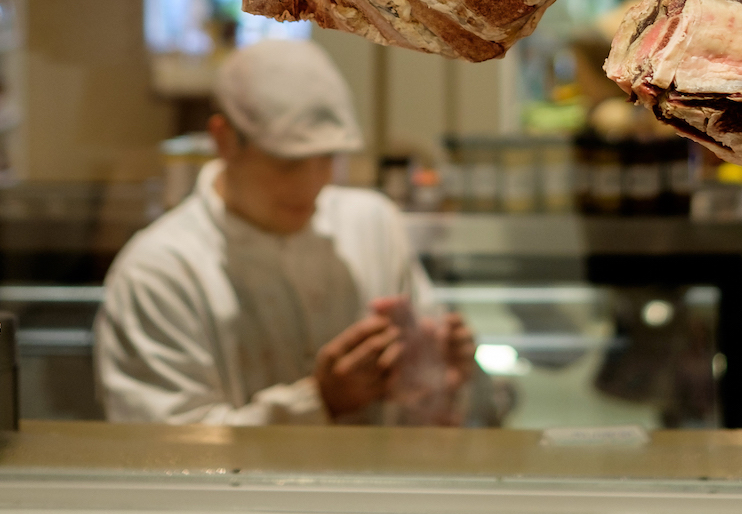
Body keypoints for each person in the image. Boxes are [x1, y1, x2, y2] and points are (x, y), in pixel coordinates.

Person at [94, 38, 476, 425]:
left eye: (326, 158)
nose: (311, 184)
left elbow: (430, 414)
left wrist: (445, 377)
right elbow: (162, 451)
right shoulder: (160, 271)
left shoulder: (373, 225)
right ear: (224, 139)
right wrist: (320, 402)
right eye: (286, 163)